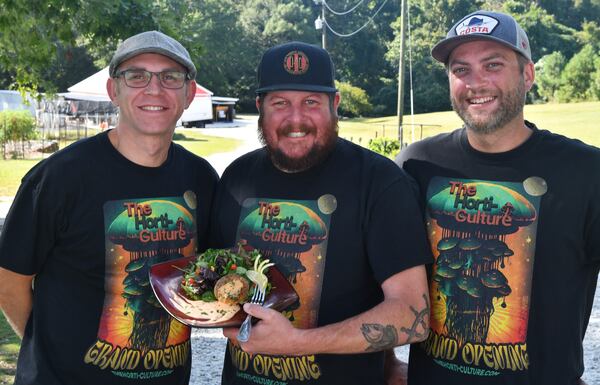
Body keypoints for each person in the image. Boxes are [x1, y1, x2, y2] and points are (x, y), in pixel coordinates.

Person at [392, 10, 599, 385]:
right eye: (461, 69)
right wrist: (387, 365)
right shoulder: (415, 165)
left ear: (528, 74)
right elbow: (374, 279)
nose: (476, 82)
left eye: (493, 64)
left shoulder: (586, 172)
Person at [0, 31, 218, 384]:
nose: (154, 89)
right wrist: (48, 349)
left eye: (170, 77)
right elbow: (9, 279)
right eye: (136, 75)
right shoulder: (59, 177)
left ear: (189, 94)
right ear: (113, 90)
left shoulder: (202, 179)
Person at [209, 41, 432, 385]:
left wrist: (297, 344)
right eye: (280, 103)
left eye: (311, 102)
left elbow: (411, 313)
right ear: (260, 108)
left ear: (335, 105)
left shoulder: (380, 182)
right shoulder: (236, 178)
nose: (296, 119)